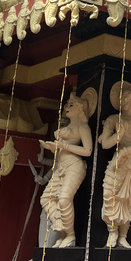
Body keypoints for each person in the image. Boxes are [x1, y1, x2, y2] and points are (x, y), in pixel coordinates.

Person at [39, 88, 97, 248]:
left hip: (74, 165)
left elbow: (88, 150)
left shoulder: (82, 127)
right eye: (67, 104)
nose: (66, 107)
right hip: (60, 166)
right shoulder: (69, 125)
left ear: (80, 108)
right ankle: (62, 231)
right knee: (46, 199)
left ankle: (70, 236)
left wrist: (63, 145)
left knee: (64, 199)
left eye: (71, 104)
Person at [99, 81, 131, 248]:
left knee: (129, 200)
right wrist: (117, 138)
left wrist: (124, 152)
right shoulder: (114, 120)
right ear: (125, 100)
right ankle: (112, 232)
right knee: (110, 195)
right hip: (118, 165)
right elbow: (105, 144)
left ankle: (123, 235)